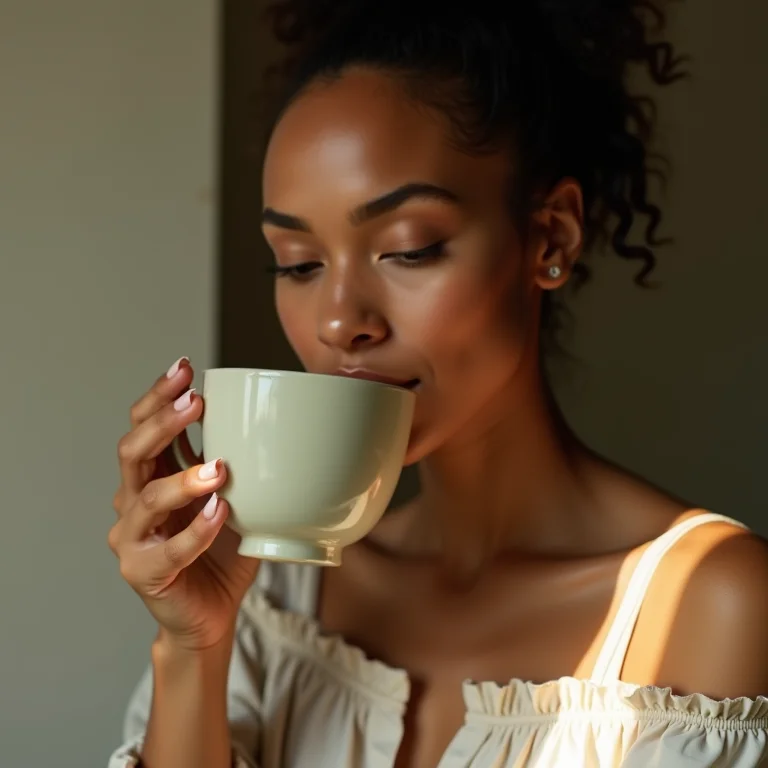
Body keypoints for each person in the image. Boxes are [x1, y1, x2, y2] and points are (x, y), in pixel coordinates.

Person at [107, 1, 768, 766]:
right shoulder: (274, 597)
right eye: (298, 263)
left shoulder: (712, 605)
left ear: (548, 238)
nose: (338, 320)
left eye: (408, 249)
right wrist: (192, 646)